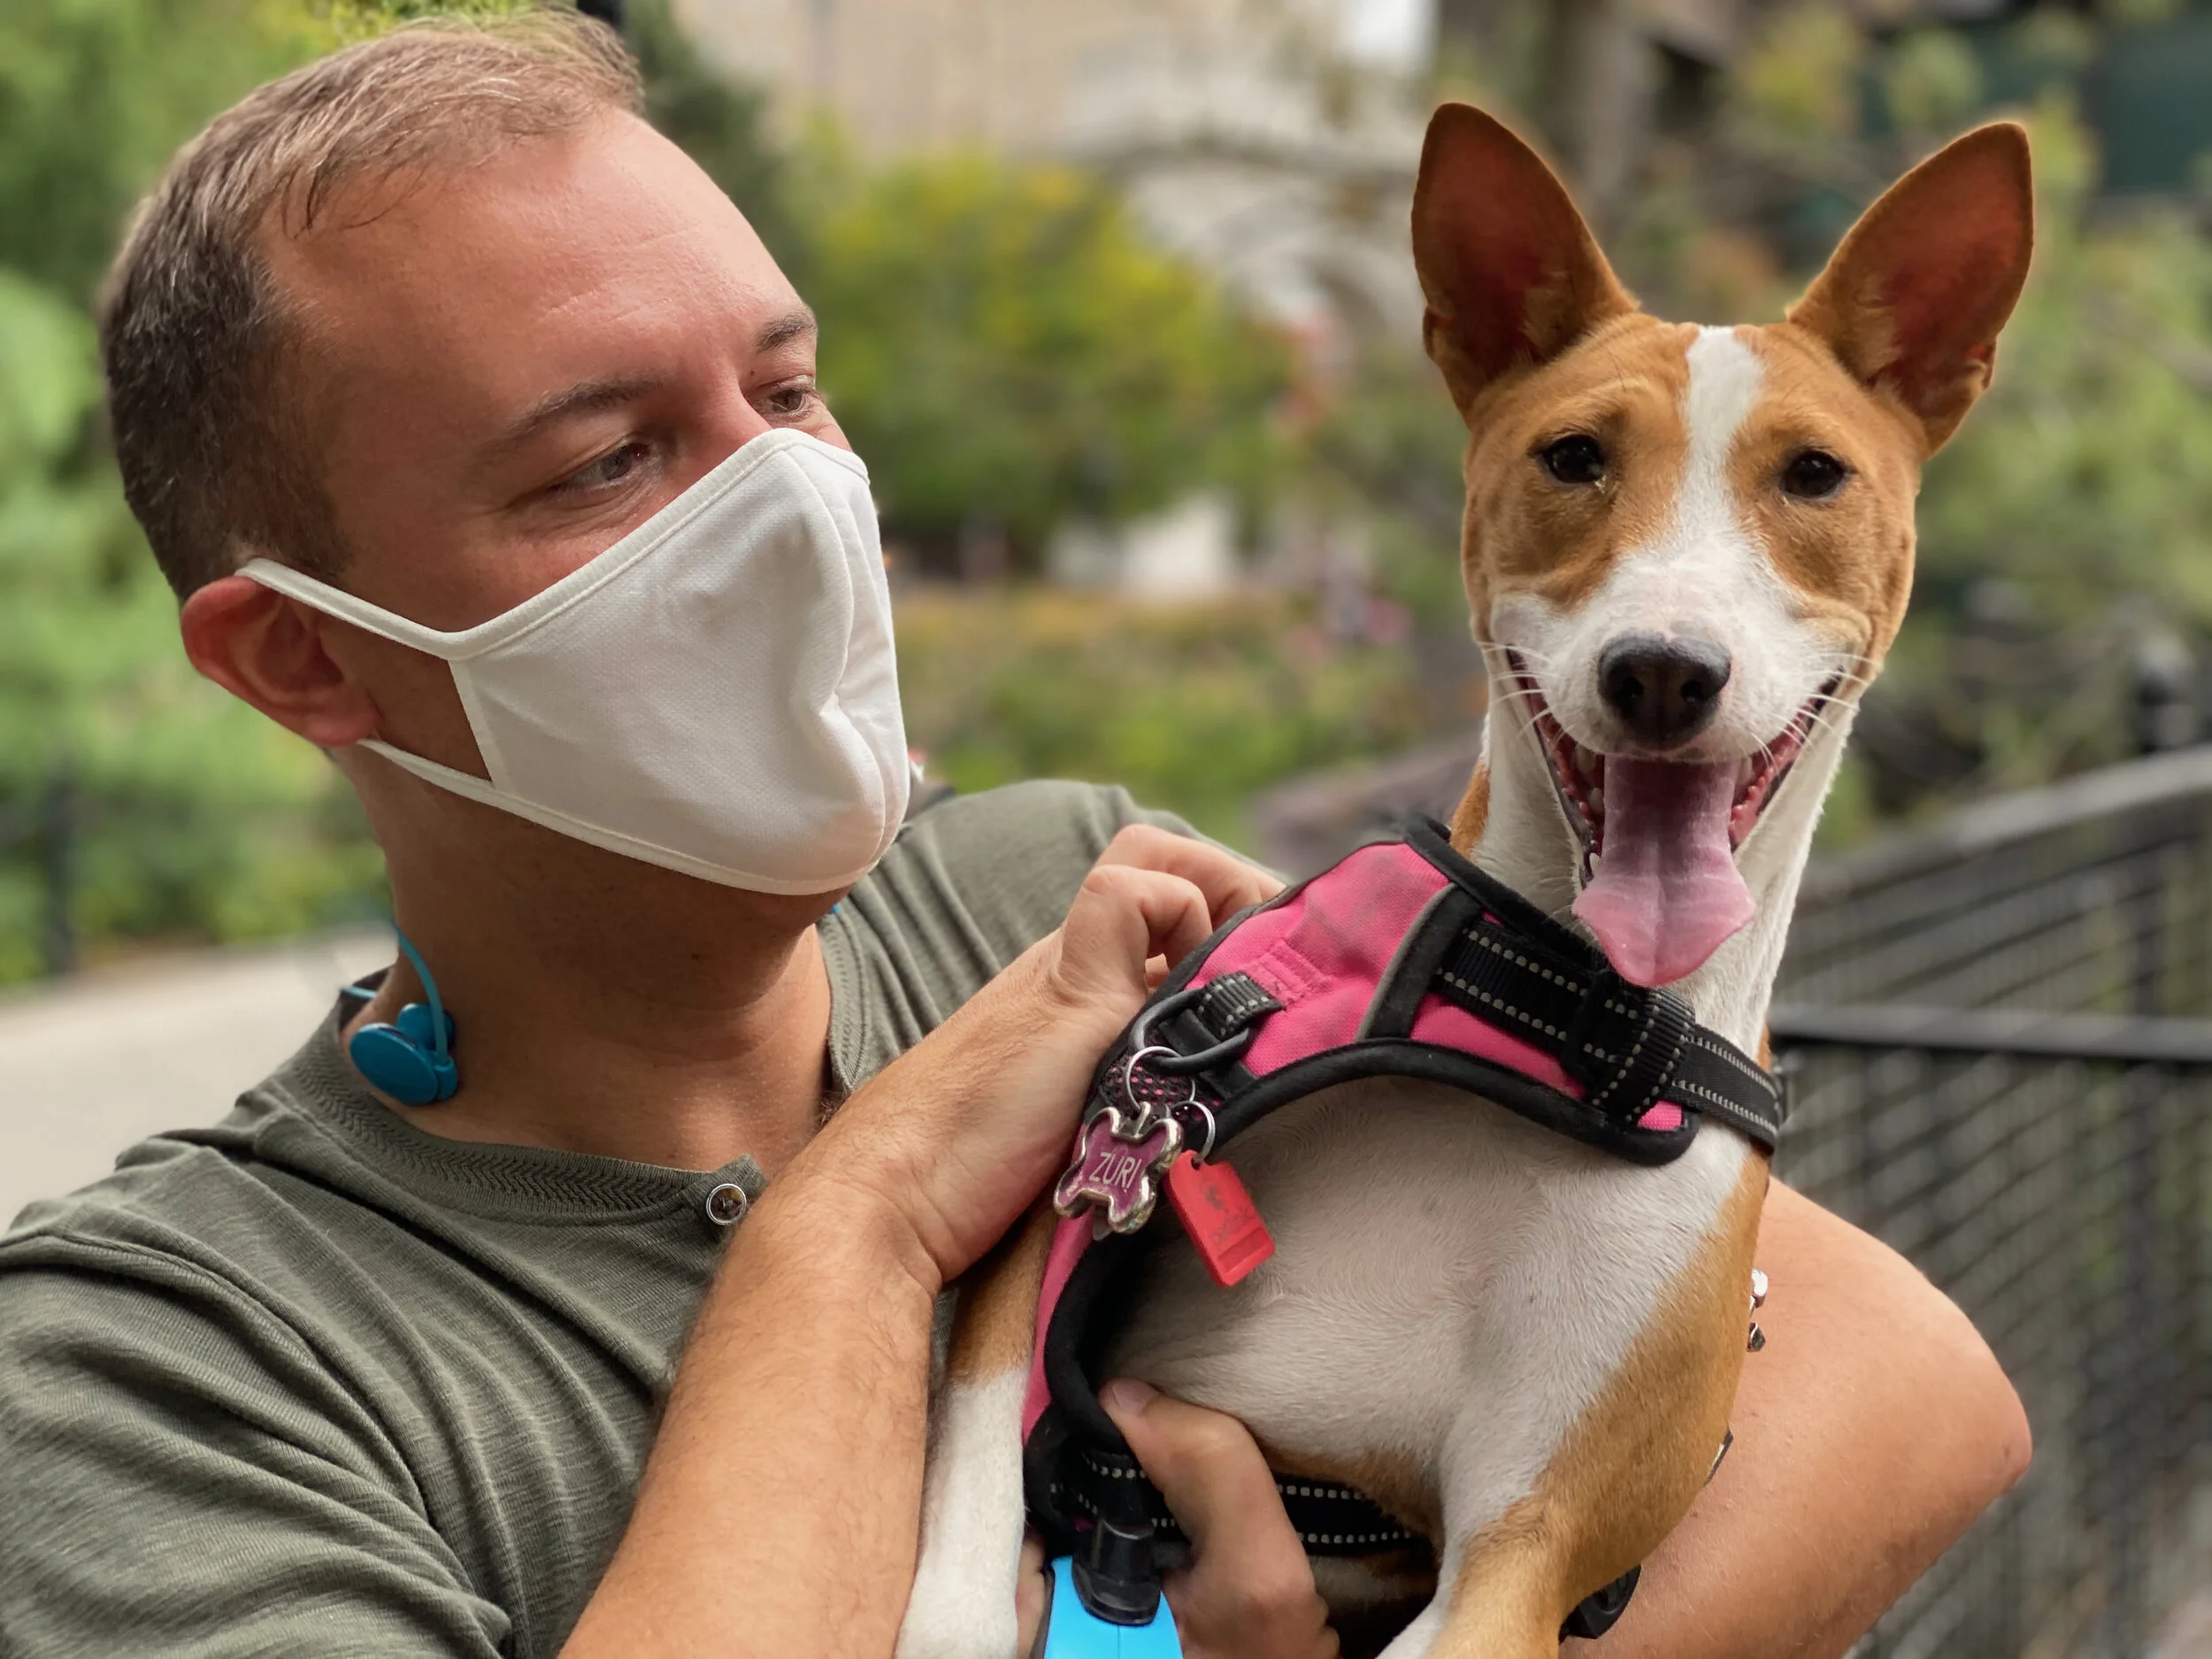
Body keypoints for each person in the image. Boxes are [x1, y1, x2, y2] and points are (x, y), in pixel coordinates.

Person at [0, 13, 2029, 1659]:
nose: (793, 506)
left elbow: (1900, 1396)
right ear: (304, 664)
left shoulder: (1056, 887)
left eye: (788, 393)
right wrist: (864, 1222)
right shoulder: (146, 1378)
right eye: (612, 457)